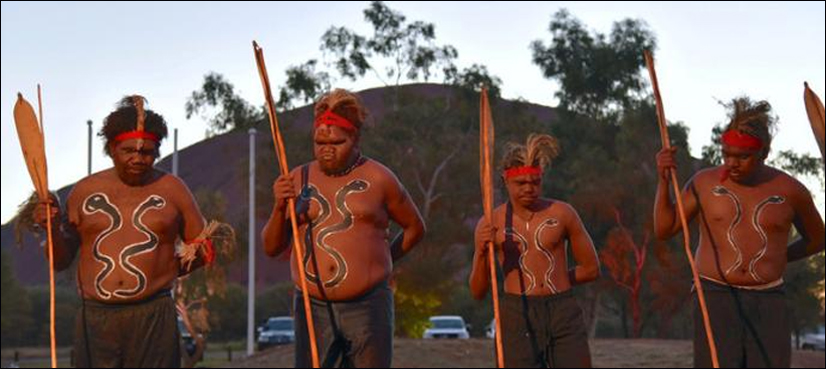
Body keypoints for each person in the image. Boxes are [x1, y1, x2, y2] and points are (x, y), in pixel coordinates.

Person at [33, 96, 213, 368]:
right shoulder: (84, 192)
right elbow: (60, 261)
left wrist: (166, 269)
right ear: (111, 148)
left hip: (154, 316)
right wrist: (52, 228)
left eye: (147, 152)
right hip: (95, 319)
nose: (138, 159)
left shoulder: (173, 189)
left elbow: (206, 248)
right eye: (128, 150)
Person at [654, 97, 825, 367]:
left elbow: (818, 239)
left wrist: (782, 257)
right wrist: (663, 181)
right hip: (715, 295)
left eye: (743, 156)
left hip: (769, 299)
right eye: (726, 154)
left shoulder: (791, 190)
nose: (732, 163)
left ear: (764, 153)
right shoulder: (704, 183)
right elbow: (664, 229)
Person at [261, 89, 426, 368]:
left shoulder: (380, 178)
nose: (327, 148)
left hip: (369, 304)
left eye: (337, 141)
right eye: (319, 142)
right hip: (312, 307)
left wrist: (384, 260)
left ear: (356, 138)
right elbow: (271, 247)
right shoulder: (296, 179)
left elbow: (415, 228)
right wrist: (280, 207)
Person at [470, 133, 600, 368]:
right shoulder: (491, 223)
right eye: (521, 183)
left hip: (562, 311)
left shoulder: (562, 213)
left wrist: (560, 281)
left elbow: (591, 269)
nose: (529, 188)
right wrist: (480, 252)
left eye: (535, 182)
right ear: (505, 180)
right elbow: (478, 292)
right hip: (516, 314)